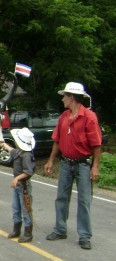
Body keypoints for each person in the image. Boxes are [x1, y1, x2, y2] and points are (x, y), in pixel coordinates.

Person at [44, 82, 102, 250]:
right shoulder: (64, 117)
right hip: (65, 163)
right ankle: (60, 229)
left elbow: (96, 145)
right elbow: (57, 140)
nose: (62, 99)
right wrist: (50, 160)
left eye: (65, 96)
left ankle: (84, 235)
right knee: (61, 197)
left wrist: (95, 167)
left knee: (84, 201)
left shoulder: (89, 117)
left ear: (72, 97)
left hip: (83, 165)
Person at [1, 127, 36, 243]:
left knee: (26, 209)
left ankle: (28, 233)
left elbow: (28, 171)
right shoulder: (18, 151)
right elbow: (10, 149)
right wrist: (2, 143)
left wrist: (17, 178)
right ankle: (16, 230)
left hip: (24, 186)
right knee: (16, 208)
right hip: (18, 186)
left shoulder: (26, 155)